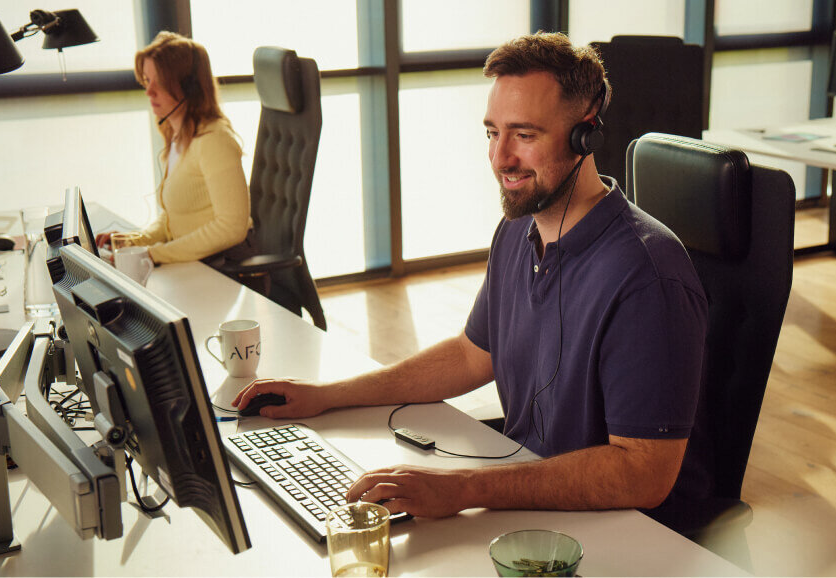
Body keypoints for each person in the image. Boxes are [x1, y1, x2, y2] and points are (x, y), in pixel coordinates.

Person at [233, 32, 708, 519]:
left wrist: (464, 489)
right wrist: (328, 396)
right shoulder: (518, 231)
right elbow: (470, 354)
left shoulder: (647, 277)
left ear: (585, 135)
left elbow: (644, 473)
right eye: (492, 133)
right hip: (529, 507)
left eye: (524, 135)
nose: (500, 158)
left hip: (623, 539)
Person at [96, 31, 255, 270]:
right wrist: (135, 241)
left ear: (189, 88)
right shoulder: (178, 135)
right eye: (147, 81)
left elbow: (231, 228)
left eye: (159, 83)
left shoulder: (214, 140)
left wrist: (153, 254)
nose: (149, 92)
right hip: (197, 262)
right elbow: (175, 218)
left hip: (224, 266)